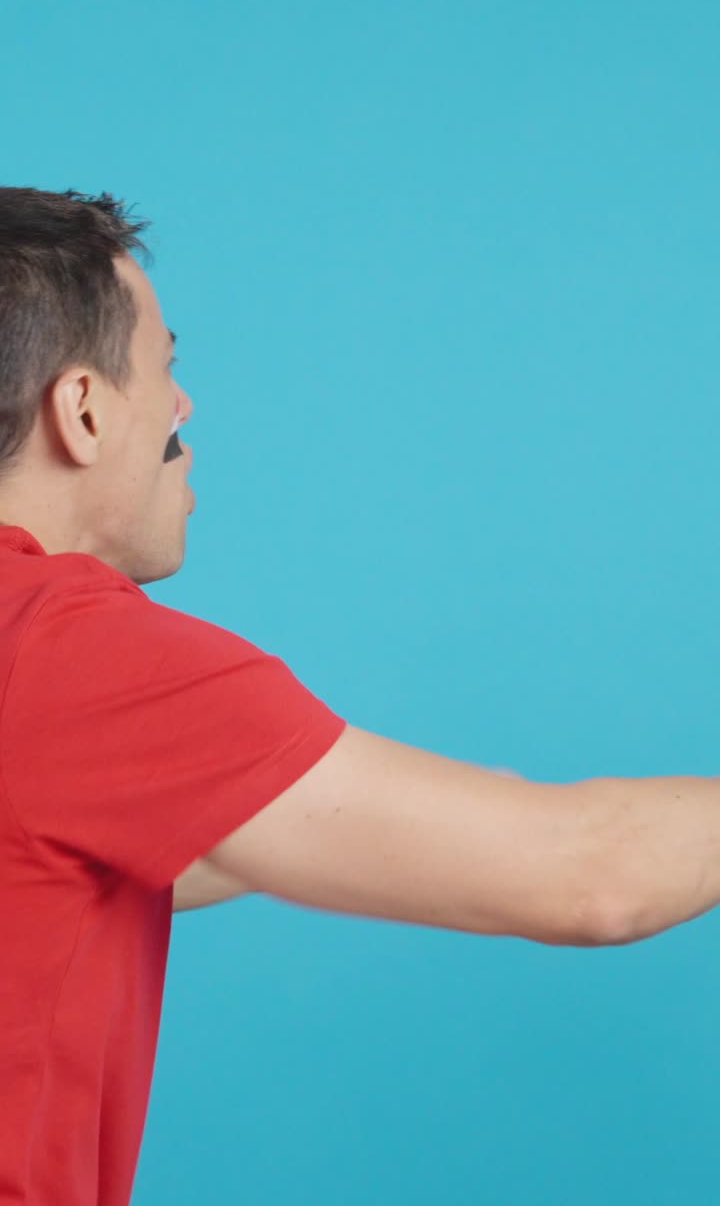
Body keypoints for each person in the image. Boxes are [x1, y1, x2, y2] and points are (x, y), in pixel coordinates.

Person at [0, 186, 717, 1206]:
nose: (183, 405)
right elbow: (591, 874)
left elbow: (53, 869)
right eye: (167, 366)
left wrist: (420, 817)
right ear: (81, 409)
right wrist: (528, 833)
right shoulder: (75, 651)